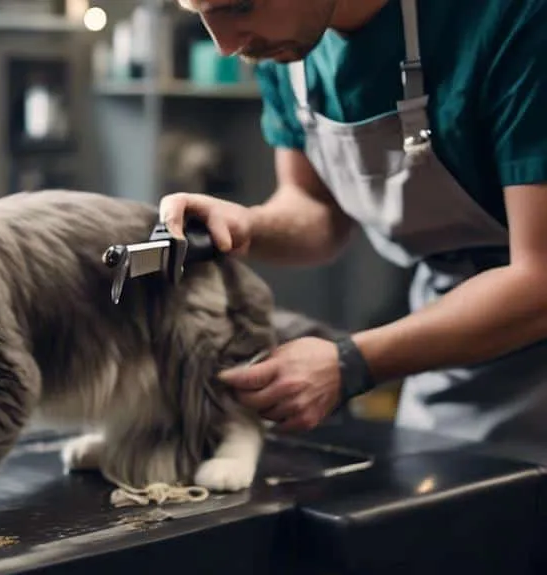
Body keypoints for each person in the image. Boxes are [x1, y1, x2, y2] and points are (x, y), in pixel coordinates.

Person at [162, 0, 547, 445]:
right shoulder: (287, 49)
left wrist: (350, 362)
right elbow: (315, 208)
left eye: (240, 7)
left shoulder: (514, 20)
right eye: (201, 14)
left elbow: (538, 279)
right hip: (448, 337)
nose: (225, 45)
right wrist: (248, 225)